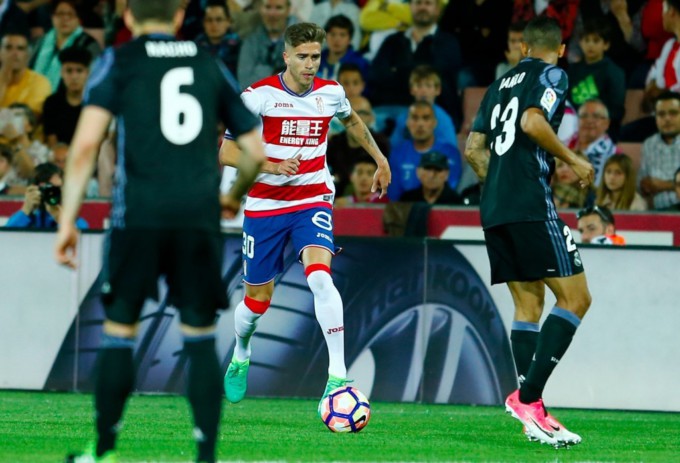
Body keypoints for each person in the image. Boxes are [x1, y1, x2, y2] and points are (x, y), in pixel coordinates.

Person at [54, 1, 266, 462]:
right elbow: (255, 151)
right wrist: (233, 196)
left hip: (139, 217)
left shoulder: (120, 60)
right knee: (199, 335)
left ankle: (104, 452)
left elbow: (87, 143)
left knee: (120, 329)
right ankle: (205, 456)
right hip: (197, 217)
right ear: (177, 17)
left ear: (127, 16)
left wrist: (68, 218)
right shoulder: (207, 62)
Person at [219, 22, 390, 412]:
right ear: (286, 57)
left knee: (319, 276)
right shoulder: (258, 97)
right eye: (303, 57)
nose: (310, 64)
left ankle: (337, 379)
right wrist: (274, 165)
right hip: (264, 205)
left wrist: (379, 159)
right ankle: (242, 353)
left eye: (316, 56)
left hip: (312, 199)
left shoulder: (331, 93)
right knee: (256, 304)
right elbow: (226, 153)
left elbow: (353, 121)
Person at [463, 17, 595, 447]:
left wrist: (499, 185)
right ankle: (528, 399)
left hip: (495, 207)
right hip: (530, 204)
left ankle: (532, 414)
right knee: (576, 298)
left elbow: (473, 149)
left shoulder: (499, 84)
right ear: (560, 49)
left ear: (521, 46)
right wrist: (573, 161)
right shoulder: (553, 73)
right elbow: (534, 123)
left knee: (528, 304)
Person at [388, 100, 462, 201]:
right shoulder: (397, 153)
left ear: (434, 123)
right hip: (406, 210)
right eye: (415, 118)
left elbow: (450, 188)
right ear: (407, 123)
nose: (420, 124)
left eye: (426, 118)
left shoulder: (450, 152)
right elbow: (394, 193)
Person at [567, 18, 626, 138]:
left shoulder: (614, 72)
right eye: (586, 40)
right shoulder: (572, 70)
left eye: (596, 41)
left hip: (603, 130)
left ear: (606, 45)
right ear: (580, 43)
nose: (590, 45)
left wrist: (594, 120)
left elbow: (617, 109)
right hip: (573, 127)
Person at [29, 0, 102, 90]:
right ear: (52, 17)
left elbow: (96, 77)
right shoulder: (41, 41)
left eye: (70, 14)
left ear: (78, 19)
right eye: (60, 14)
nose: (65, 19)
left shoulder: (89, 44)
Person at [327, 95, 390, 195]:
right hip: (338, 201)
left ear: (371, 117)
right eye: (352, 113)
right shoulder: (334, 143)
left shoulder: (381, 144)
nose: (357, 118)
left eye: (362, 113)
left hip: (374, 201)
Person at [5, 161, 88, 228]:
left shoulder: (76, 221)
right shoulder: (28, 218)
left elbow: (79, 241)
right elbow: (6, 238)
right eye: (44, 189)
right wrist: (25, 210)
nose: (50, 193)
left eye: (55, 189)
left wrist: (60, 218)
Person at [236, 0, 298, 89]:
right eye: (268, 7)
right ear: (261, 9)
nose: (272, 14)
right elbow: (244, 84)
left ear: (288, 10)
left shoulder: (303, 39)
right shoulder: (251, 41)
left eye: (278, 8)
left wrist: (260, 70)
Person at [42, 46, 92, 147]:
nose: (74, 77)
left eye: (79, 71)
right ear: (61, 73)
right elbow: (52, 142)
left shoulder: (96, 103)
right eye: (69, 71)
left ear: (87, 73)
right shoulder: (51, 103)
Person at [639, 90, 680, 209]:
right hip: (659, 214)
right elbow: (644, 184)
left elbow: (655, 184)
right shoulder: (649, 144)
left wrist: (661, 185)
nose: (667, 119)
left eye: (673, 113)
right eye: (661, 114)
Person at [0, 30, 52, 118]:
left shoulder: (40, 82)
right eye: (8, 48)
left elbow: (30, 119)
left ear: (28, 54)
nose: (14, 53)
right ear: (0, 53)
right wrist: (2, 84)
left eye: (20, 48)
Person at [567, 98, 619, 186]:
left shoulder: (615, 155)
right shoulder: (565, 145)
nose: (589, 121)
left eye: (596, 116)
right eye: (584, 116)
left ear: (607, 123)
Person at [193, 0, 241, 76]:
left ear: (228, 22)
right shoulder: (195, 47)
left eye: (219, 20)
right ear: (203, 23)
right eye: (209, 20)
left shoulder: (239, 47)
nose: (214, 24)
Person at [317, 15, 368, 82]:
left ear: (350, 39)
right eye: (333, 34)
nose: (337, 39)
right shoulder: (316, 59)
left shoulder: (360, 64)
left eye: (342, 35)